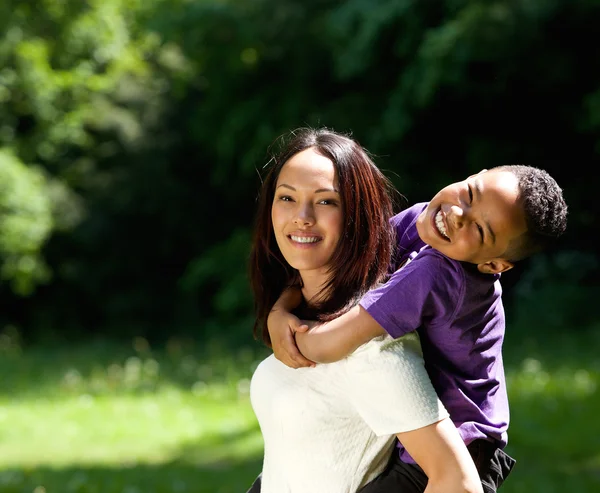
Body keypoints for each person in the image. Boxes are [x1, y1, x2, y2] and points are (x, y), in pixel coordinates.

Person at [267, 164, 568, 493]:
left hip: (458, 454)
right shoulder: (420, 219)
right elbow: (344, 273)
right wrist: (281, 307)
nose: (456, 214)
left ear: (494, 265)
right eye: (469, 194)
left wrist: (287, 328)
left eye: (480, 230)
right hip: (425, 441)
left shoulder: (439, 273)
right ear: (471, 175)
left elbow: (331, 343)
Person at [247, 127, 483, 493]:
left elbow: (458, 482)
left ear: (359, 215)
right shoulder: (304, 313)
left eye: (326, 201)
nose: (302, 217)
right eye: (287, 198)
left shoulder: (371, 349)